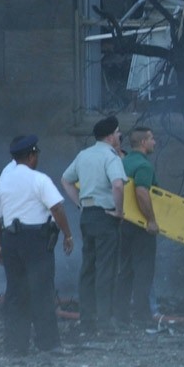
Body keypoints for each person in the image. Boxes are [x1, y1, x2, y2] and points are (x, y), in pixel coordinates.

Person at [0, 134, 74, 354]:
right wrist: (68, 235)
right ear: (32, 155)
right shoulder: (39, 180)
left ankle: (16, 346)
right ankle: (48, 344)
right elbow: (57, 208)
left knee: (16, 293)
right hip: (36, 241)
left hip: (10, 240)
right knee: (42, 291)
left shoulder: (3, 184)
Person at [61, 116, 128, 334]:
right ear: (110, 136)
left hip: (87, 216)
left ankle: (87, 320)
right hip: (106, 216)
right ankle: (105, 322)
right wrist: (119, 211)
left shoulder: (84, 155)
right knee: (106, 269)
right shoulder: (111, 157)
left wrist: (80, 204)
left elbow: (65, 180)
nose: (119, 135)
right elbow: (117, 185)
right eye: (117, 132)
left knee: (88, 268)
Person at [115, 125, 159, 327]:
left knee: (125, 269)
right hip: (141, 226)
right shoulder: (143, 165)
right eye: (151, 138)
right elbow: (141, 193)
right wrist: (151, 220)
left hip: (124, 222)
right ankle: (142, 315)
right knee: (144, 270)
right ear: (143, 142)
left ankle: (121, 315)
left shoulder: (122, 163)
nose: (154, 142)